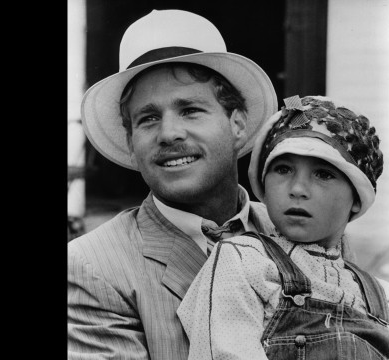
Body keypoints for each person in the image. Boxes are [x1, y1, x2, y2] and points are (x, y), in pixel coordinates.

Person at [67, 9, 282, 360]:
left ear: (238, 124)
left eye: (190, 110)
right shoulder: (93, 267)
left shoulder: (295, 232)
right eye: (148, 118)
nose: (168, 134)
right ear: (132, 146)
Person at [177, 95, 389, 359]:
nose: (298, 189)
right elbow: (225, 352)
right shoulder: (243, 260)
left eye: (323, 174)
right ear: (264, 185)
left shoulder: (377, 295)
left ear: (357, 199)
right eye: (283, 169)